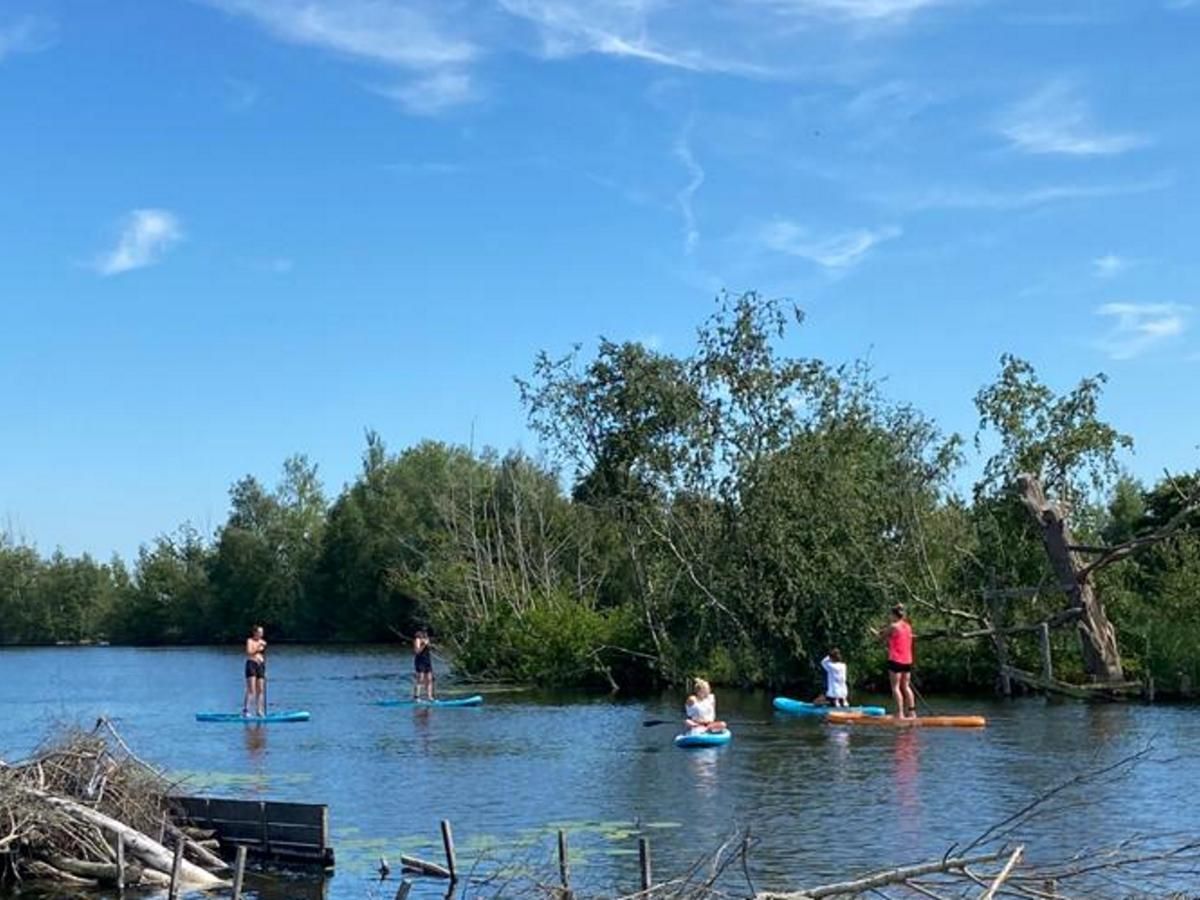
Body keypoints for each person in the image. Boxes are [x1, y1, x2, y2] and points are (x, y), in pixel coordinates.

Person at [881, 604, 916, 718]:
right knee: (906, 686)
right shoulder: (908, 626)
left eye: (891, 615)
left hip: (896, 660)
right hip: (908, 660)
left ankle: (900, 713)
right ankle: (912, 712)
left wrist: (876, 633)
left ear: (894, 615)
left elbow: (881, 637)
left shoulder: (893, 626)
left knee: (895, 687)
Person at [243, 625, 267, 717]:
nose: (261, 634)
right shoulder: (250, 641)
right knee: (251, 689)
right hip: (251, 664)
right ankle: (246, 710)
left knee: (260, 689)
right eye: (260, 632)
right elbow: (249, 652)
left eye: (262, 632)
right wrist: (258, 647)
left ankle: (259, 710)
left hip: (260, 665)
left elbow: (263, 655)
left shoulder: (263, 642)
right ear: (255, 633)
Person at [412, 629, 435, 701]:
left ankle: (430, 697)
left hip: (427, 660)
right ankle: (416, 697)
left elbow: (430, 648)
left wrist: (428, 644)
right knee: (420, 679)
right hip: (420, 661)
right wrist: (424, 644)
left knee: (429, 679)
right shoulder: (417, 640)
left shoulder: (426, 639)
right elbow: (417, 651)